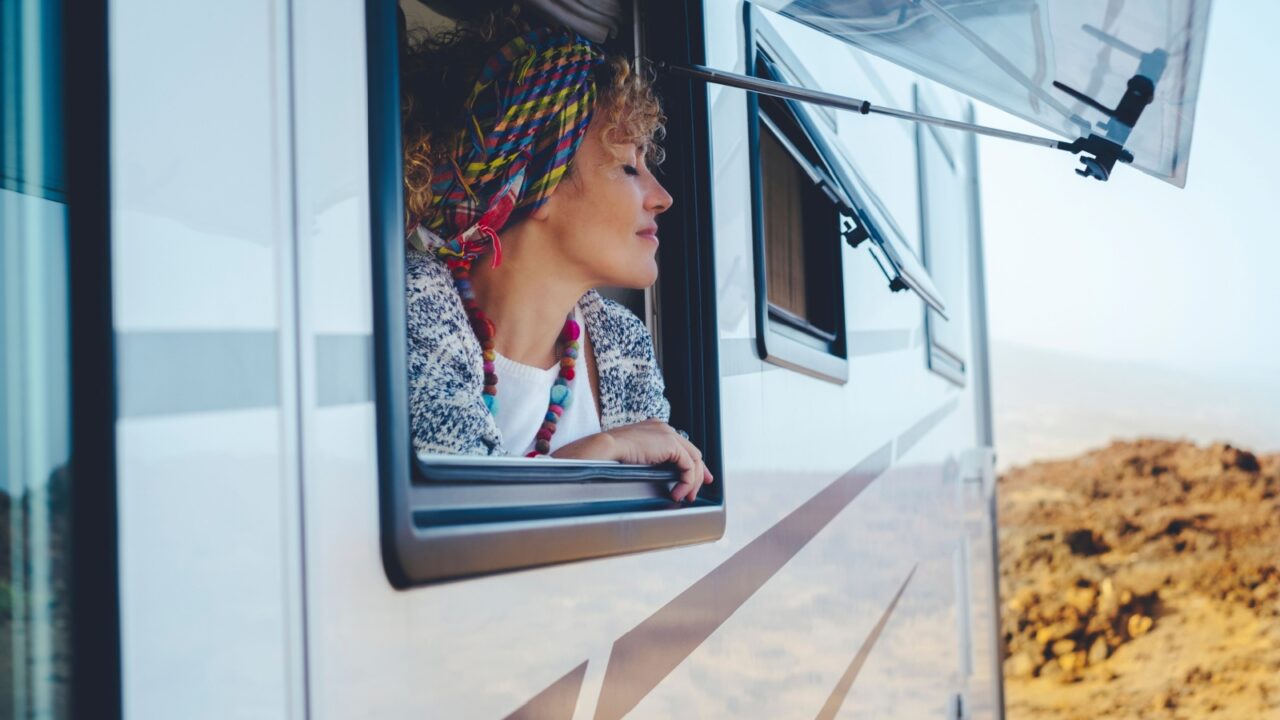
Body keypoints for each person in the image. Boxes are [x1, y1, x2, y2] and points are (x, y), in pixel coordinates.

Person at [400, 10, 713, 502]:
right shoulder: (412, 302)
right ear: (537, 182)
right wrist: (604, 449)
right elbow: (452, 507)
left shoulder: (621, 341)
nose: (662, 197)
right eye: (628, 168)